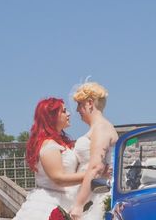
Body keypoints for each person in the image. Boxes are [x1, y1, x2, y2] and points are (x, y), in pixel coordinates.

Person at [13, 98, 85, 220]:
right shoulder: (49, 145)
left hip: (66, 202)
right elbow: (58, 178)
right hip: (48, 205)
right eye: (63, 111)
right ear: (51, 117)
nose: (68, 114)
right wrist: (91, 174)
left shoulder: (61, 143)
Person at [69, 82, 119, 220]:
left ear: (90, 103)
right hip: (91, 193)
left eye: (80, 104)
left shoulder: (101, 128)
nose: (77, 110)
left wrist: (79, 204)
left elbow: (96, 166)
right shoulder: (99, 127)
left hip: (97, 195)